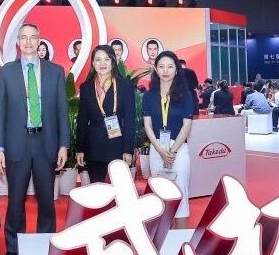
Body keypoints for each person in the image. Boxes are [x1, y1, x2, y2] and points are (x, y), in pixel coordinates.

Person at [0, 22, 68, 255]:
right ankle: (13, 250)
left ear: (39, 40)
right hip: (17, 144)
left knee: (47, 201)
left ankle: (44, 246)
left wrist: (63, 145)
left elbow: (62, 111)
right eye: (23, 37)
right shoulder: (6, 72)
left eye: (32, 37)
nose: (28, 42)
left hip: (46, 143)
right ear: (18, 42)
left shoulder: (55, 71)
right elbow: (0, 113)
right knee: (15, 202)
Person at [142, 51, 194, 228]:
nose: (165, 70)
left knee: (180, 195)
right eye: (161, 66)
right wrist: (159, 149)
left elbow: (187, 125)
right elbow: (147, 125)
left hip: (178, 149)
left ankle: (181, 239)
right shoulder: (149, 96)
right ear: (156, 69)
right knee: (161, 196)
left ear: (176, 70)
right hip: (157, 149)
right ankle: (163, 238)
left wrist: (171, 152)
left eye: (170, 66)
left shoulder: (185, 95)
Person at [75, 45, 135, 184]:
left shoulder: (125, 86)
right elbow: (82, 120)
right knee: (97, 188)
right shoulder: (86, 88)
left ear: (113, 61)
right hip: (94, 146)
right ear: (93, 63)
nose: (102, 63)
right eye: (98, 60)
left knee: (119, 188)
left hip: (118, 146)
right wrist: (80, 149)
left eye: (107, 59)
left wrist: (128, 150)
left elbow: (130, 120)